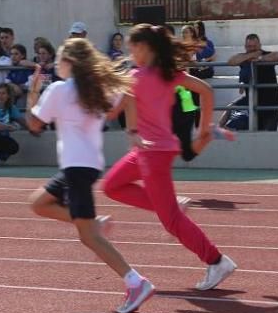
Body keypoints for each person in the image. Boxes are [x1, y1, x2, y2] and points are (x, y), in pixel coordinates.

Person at [102, 24, 239, 291]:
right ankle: (171, 204)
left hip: (154, 154)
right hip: (147, 151)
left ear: (145, 48)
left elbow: (110, 112)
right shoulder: (167, 74)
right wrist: (204, 127)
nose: (130, 52)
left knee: (172, 221)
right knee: (111, 185)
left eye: (132, 47)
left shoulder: (137, 76)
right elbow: (206, 91)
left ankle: (216, 260)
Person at [26, 39, 152, 313]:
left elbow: (34, 124)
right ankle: (95, 223)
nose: (57, 65)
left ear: (70, 63)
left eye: (60, 60)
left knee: (88, 237)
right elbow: (128, 97)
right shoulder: (97, 89)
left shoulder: (59, 89)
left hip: (77, 167)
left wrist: (32, 94)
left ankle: (136, 281)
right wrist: (131, 131)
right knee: (38, 203)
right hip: (86, 165)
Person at [222, 33, 278, 131]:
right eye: (249, 46)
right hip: (252, 101)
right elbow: (231, 61)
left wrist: (259, 59)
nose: (252, 48)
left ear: (260, 45)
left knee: (268, 134)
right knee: (231, 107)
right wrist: (250, 56)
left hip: (271, 102)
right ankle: (218, 130)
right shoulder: (244, 57)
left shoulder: (266, 54)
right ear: (245, 47)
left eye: (254, 46)